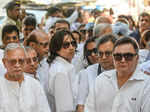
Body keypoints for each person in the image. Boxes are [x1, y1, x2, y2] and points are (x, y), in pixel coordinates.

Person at [85, 37, 150, 112]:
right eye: (118, 57)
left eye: (128, 56)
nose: (123, 60)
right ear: (113, 58)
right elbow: (89, 109)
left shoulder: (146, 85)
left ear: (137, 58)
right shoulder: (101, 79)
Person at [0, 43, 51, 112]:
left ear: (25, 62)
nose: (17, 65)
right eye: (13, 61)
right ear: (4, 62)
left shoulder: (34, 85)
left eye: (21, 61)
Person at [76, 34, 117, 112]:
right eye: (100, 54)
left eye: (108, 53)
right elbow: (81, 106)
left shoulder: (124, 71)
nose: (104, 57)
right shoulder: (88, 73)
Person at [46, 30, 78, 112]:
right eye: (66, 45)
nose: (71, 47)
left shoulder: (64, 66)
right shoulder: (60, 72)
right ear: (56, 48)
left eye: (73, 43)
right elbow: (64, 109)